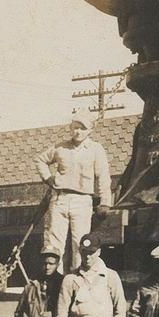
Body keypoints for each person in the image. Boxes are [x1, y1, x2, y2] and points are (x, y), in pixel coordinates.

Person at [36, 112, 112, 272]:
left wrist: (105, 201)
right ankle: (55, 282)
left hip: (82, 200)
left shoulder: (96, 149)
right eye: (75, 128)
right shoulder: (60, 147)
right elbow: (41, 160)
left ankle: (77, 281)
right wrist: (48, 179)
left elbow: (103, 176)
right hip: (60, 199)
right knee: (55, 242)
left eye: (82, 128)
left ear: (90, 130)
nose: (77, 132)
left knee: (80, 244)